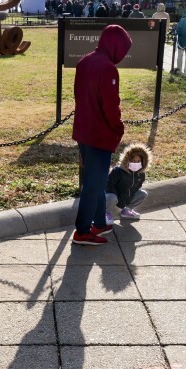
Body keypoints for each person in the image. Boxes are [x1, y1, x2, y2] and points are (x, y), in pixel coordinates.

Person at [71, 24, 132, 245]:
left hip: (84, 130)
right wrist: (118, 127)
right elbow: (110, 105)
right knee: (93, 184)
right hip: (99, 133)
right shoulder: (108, 68)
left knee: (95, 179)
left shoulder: (85, 61)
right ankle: (82, 230)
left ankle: (98, 222)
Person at [105, 143, 151, 224]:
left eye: (138, 161)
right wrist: (119, 200)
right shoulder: (118, 171)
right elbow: (109, 186)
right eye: (133, 161)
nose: (135, 163)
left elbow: (136, 188)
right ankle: (106, 213)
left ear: (143, 161)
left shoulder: (141, 174)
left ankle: (126, 210)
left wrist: (126, 201)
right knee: (111, 196)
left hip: (126, 199)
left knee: (143, 194)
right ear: (127, 160)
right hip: (114, 198)